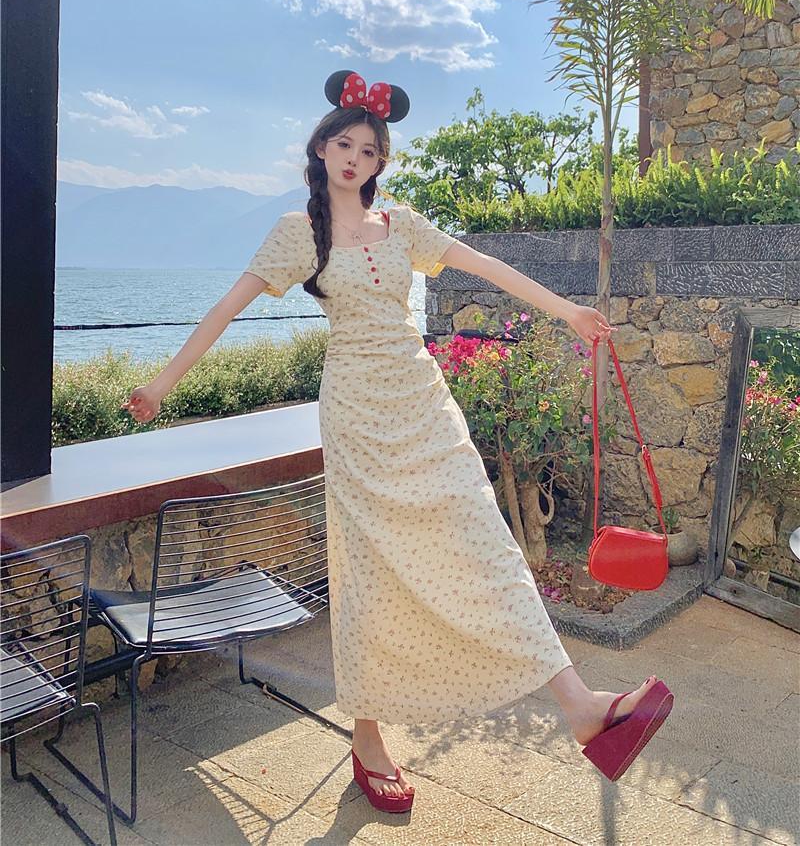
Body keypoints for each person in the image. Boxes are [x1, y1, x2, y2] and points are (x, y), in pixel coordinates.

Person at [122, 70, 672, 813]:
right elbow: (227, 308)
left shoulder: (402, 225)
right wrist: (162, 385)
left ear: (380, 162)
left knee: (487, 544)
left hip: (422, 403)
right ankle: (368, 736)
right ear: (321, 149)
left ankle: (580, 705)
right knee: (368, 577)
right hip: (355, 413)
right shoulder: (297, 233)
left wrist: (567, 310)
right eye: (343, 145)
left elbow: (485, 265)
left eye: (368, 150)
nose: (354, 158)